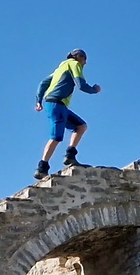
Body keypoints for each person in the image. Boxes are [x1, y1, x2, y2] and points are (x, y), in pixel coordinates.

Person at [34, 49, 102, 180]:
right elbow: (81, 85)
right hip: (56, 103)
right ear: (79, 57)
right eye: (85, 59)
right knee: (56, 137)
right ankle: (42, 168)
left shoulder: (60, 68)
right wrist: (94, 90)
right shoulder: (74, 64)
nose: (85, 63)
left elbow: (43, 83)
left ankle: (70, 155)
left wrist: (38, 100)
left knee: (81, 126)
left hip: (57, 105)